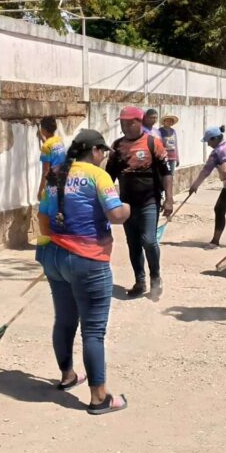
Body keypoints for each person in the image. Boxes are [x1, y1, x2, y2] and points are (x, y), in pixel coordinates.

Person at [39, 129, 130, 415]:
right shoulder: (96, 175)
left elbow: (42, 221)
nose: (104, 157)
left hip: (54, 256)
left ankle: (67, 376)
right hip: (87, 260)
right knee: (93, 330)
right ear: (94, 151)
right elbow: (116, 215)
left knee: (64, 320)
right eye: (103, 151)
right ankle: (98, 397)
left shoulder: (54, 174)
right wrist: (129, 207)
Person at [106, 106, 173, 299]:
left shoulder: (153, 143)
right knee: (133, 243)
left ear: (139, 121)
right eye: (122, 123)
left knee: (149, 241)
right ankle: (140, 281)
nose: (126, 126)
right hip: (126, 204)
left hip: (149, 201)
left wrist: (168, 199)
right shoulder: (117, 146)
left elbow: (166, 173)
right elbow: (108, 177)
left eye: (130, 122)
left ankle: (155, 278)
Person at [188, 125, 226, 248]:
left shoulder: (217, 152)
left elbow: (206, 171)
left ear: (215, 138)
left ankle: (215, 241)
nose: (208, 144)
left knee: (219, 210)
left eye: (209, 141)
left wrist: (195, 185)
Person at [35, 117, 66, 263]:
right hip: (61, 182)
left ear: (43, 129)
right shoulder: (58, 141)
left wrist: (40, 189)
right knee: (51, 213)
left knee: (43, 215)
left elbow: (45, 171)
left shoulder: (46, 146)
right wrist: (43, 139)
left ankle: (51, 244)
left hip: (51, 185)